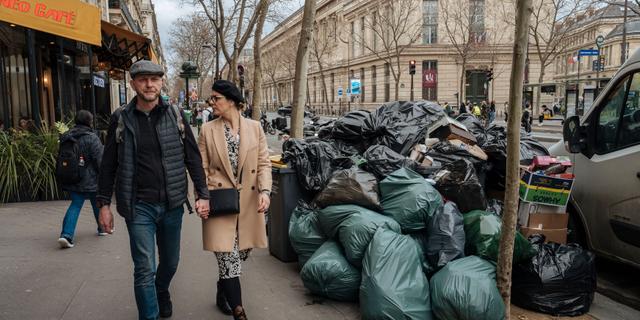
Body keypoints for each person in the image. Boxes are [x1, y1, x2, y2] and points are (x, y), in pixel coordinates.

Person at [96, 60, 210, 320]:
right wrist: (104, 204)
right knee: (144, 268)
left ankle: (162, 290)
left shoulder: (176, 115)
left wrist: (202, 194)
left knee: (170, 262)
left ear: (161, 82)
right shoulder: (121, 119)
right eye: (143, 79)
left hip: (172, 204)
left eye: (154, 79)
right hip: (138, 207)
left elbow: (192, 158)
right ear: (133, 83)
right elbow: (108, 165)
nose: (149, 84)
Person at [197, 79, 272, 320]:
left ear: (232, 101)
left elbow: (263, 163)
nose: (212, 102)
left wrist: (265, 191)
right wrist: (202, 197)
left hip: (249, 204)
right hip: (219, 203)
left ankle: (223, 289)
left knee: (240, 254)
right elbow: (201, 168)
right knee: (227, 257)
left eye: (216, 98)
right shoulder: (207, 130)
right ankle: (239, 311)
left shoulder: (255, 128)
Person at [57, 110, 104, 248]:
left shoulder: (66, 136)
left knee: (76, 204)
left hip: (72, 176)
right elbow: (99, 160)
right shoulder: (92, 137)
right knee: (97, 202)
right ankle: (102, 228)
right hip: (91, 179)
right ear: (89, 121)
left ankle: (66, 235)